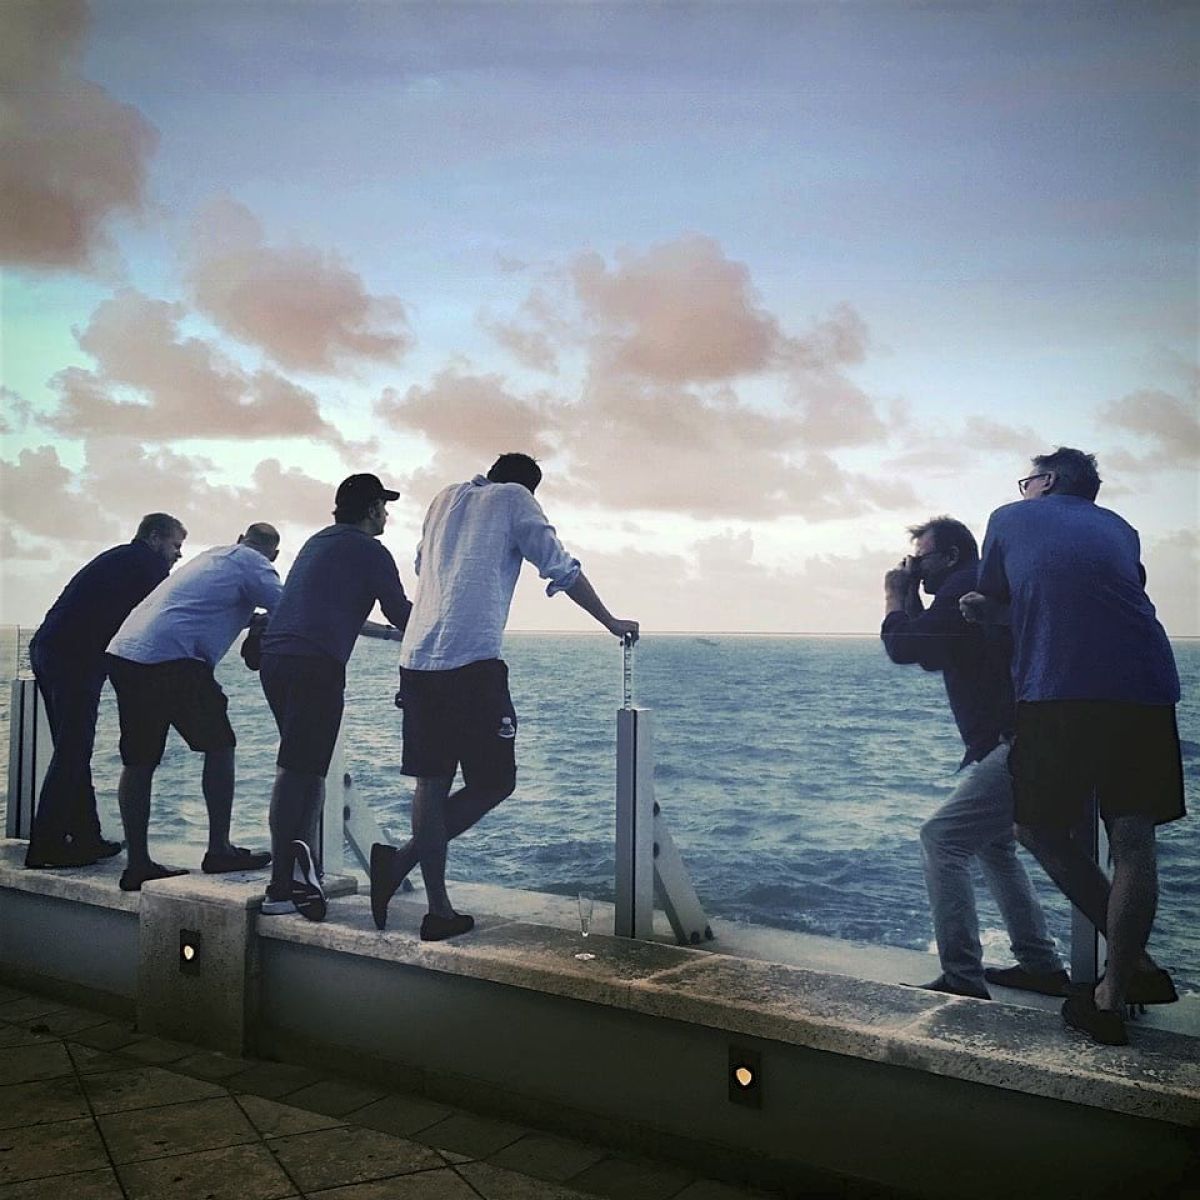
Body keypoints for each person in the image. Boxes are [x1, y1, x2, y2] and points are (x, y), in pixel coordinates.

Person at [961, 447, 1184, 1046]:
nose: (1023, 487)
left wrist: (977, 611)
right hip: (1147, 684)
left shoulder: (1009, 517)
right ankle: (1115, 989)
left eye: (1027, 478)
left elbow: (995, 604)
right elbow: (1102, 594)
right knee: (1133, 839)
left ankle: (1134, 966)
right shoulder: (1121, 527)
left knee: (1037, 829)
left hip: (1061, 688)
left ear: (1048, 480)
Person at [370, 452, 640, 941]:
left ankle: (438, 909)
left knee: (430, 784)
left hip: (417, 657)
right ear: (532, 489)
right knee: (494, 782)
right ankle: (401, 863)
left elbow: (420, 565)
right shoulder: (517, 500)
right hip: (471, 660)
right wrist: (611, 621)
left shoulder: (443, 499)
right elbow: (560, 567)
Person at [882, 517, 1066, 1001]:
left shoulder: (965, 586)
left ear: (952, 557)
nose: (914, 567)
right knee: (993, 847)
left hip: (1017, 741)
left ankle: (964, 978)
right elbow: (931, 650)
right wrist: (915, 599)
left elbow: (905, 646)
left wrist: (893, 595)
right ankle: (1043, 966)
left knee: (940, 840)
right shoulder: (971, 588)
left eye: (922, 558)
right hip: (1028, 737)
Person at [258, 474, 412, 921]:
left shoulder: (318, 541)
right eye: (383, 505)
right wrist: (442, 632)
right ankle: (280, 887)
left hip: (277, 659)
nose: (387, 513)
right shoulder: (371, 550)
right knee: (297, 771)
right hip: (314, 664)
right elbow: (399, 612)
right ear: (370, 509)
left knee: (307, 769)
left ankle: (302, 871)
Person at [105, 524, 283, 891]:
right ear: (274, 555)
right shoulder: (255, 563)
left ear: (238, 537)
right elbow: (290, 609)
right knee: (220, 747)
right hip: (173, 659)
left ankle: (137, 864)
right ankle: (219, 849)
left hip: (125, 653)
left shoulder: (213, 556)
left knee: (138, 761)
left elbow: (204, 605)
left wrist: (251, 619)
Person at [25, 513, 187, 869]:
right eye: (176, 545)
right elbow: (168, 611)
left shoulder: (120, 558)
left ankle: (86, 836)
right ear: (155, 537)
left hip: (51, 649)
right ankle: (46, 846)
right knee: (73, 750)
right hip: (74, 657)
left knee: (72, 747)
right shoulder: (147, 564)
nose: (178, 555)